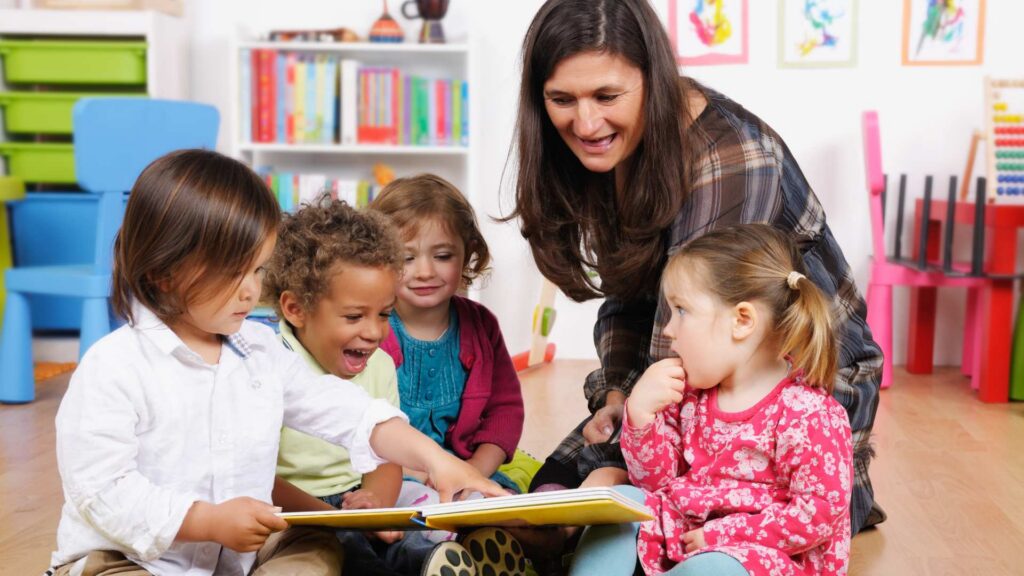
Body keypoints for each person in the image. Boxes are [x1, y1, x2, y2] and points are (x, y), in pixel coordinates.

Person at [507, 0, 882, 550]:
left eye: (607, 97)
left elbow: (694, 346)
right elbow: (630, 300)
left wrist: (616, 465)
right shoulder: (613, 148)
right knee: (556, 489)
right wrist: (616, 396)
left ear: (653, 79)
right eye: (562, 100)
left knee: (645, 510)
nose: (585, 124)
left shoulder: (733, 157)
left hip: (795, 386)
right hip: (692, 373)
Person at [47, 150, 503, 576]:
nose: (251, 290)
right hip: (127, 558)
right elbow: (102, 491)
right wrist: (205, 521)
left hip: (238, 557)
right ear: (163, 272)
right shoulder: (114, 365)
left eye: (259, 270)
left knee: (317, 545)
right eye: (235, 272)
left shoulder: (258, 350)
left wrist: (436, 459)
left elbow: (347, 410)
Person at [569, 223, 852, 576]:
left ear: (742, 321)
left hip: (764, 556)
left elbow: (817, 516)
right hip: (683, 540)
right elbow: (654, 483)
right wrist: (640, 415)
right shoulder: (688, 397)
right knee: (625, 504)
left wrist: (723, 535)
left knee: (716, 568)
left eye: (682, 311)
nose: (668, 329)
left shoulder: (809, 414)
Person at [263, 198, 463, 576]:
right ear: (296, 309)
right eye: (354, 316)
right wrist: (335, 519)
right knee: (344, 548)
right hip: (292, 506)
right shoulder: (267, 365)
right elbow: (257, 476)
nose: (374, 333)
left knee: (423, 520)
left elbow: (386, 457)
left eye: (385, 314)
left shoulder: (381, 364)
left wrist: (376, 508)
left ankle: (435, 560)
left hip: (357, 496)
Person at [370, 174, 530, 575]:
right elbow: (356, 422)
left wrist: (474, 471)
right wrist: (420, 474)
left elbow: (504, 411)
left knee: (503, 508)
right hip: (395, 474)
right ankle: (435, 559)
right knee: (394, 521)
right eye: (407, 258)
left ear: (468, 253)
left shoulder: (480, 325)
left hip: (467, 469)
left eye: (442, 255)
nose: (425, 271)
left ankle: (487, 548)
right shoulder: (371, 328)